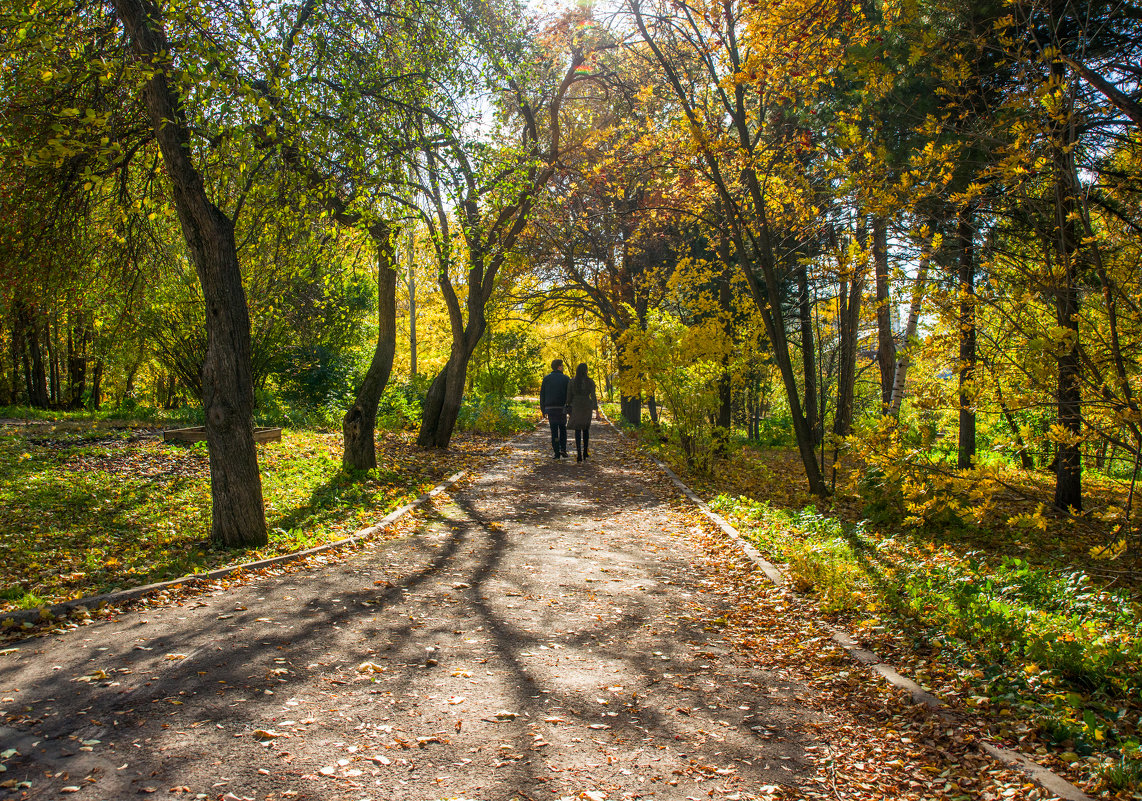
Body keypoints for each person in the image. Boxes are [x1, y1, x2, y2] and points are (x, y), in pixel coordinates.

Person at [566, 362, 599, 462]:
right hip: (586, 406)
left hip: (576, 405)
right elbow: (593, 396)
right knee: (585, 429)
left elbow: (568, 396)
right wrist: (596, 409)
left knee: (577, 429)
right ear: (586, 370)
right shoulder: (590, 382)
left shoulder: (572, 382)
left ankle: (579, 453)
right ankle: (585, 451)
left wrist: (568, 405)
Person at [539, 358, 571, 459]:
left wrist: (543, 409)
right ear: (559, 366)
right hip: (561, 409)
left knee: (554, 431)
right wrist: (570, 409)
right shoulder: (566, 379)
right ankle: (563, 449)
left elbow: (542, 395)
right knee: (562, 429)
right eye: (562, 366)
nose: (563, 367)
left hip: (551, 408)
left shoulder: (546, 378)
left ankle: (556, 452)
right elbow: (569, 395)